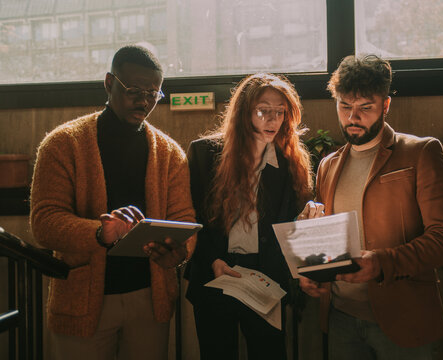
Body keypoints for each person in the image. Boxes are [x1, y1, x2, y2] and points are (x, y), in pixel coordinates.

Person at [30, 45, 196, 360]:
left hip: (149, 297)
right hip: (84, 298)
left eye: (153, 93)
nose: (144, 101)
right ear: (109, 83)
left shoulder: (170, 153)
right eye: (134, 90)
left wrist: (179, 251)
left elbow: (184, 220)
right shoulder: (64, 144)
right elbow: (44, 222)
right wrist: (101, 233)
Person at [298, 54, 443, 359]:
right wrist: (312, 272)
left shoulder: (421, 152)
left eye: (366, 108)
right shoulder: (328, 165)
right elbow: (328, 240)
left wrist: (382, 263)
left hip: (404, 318)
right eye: (345, 106)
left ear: (385, 106)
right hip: (340, 318)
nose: (353, 117)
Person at [185, 73, 313, 360]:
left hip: (265, 278)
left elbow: (290, 224)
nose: (273, 119)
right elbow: (190, 219)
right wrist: (212, 261)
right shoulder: (205, 153)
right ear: (244, 113)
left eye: (280, 112)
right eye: (263, 110)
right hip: (216, 272)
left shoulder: (290, 162)